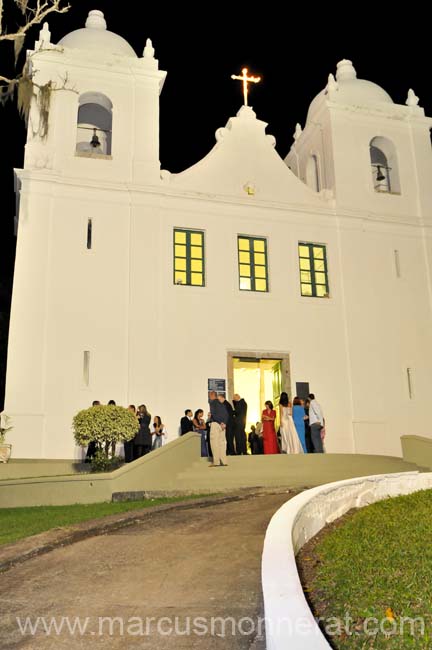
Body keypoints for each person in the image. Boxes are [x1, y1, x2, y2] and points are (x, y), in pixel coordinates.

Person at [208, 391, 229, 467]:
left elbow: (213, 413)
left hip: (216, 424)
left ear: (212, 395)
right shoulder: (222, 404)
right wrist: (224, 423)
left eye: (209, 395)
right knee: (222, 443)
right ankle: (224, 461)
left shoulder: (212, 403)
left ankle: (216, 462)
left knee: (215, 443)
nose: (209, 397)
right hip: (223, 426)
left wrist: (220, 422)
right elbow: (226, 414)